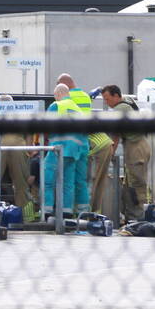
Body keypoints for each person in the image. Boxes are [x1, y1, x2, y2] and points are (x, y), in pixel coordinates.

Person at [57, 73, 113, 214]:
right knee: (98, 182)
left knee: (86, 181)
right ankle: (95, 214)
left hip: (93, 143)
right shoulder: (84, 96)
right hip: (104, 142)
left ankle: (84, 215)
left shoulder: (67, 99)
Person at [101, 84, 151, 223]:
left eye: (107, 99)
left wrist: (110, 154)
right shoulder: (128, 101)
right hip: (138, 145)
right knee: (129, 183)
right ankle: (132, 216)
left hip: (136, 148)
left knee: (136, 183)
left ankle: (138, 217)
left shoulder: (120, 108)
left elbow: (115, 136)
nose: (106, 102)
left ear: (116, 96)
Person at [43, 84, 90, 218]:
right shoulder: (77, 109)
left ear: (58, 94)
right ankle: (67, 212)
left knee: (48, 180)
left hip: (58, 148)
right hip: (75, 152)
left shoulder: (56, 105)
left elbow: (45, 126)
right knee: (68, 183)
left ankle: (47, 211)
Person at [0, 95, 37, 221]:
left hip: (1, 145)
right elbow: (30, 133)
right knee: (21, 185)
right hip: (19, 145)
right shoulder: (21, 113)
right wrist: (29, 149)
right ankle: (26, 218)